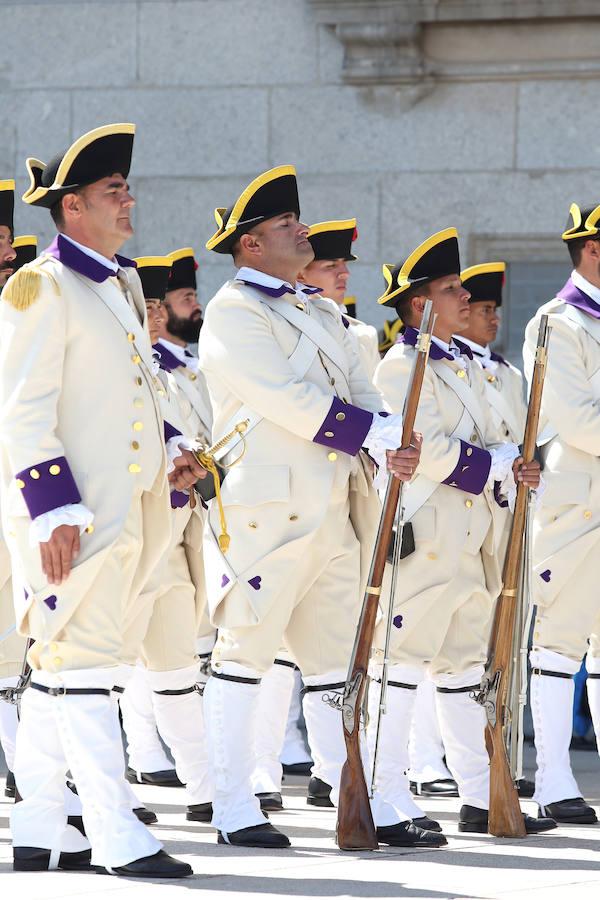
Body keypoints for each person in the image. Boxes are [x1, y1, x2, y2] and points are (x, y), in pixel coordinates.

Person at [199, 164, 430, 850]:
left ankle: (360, 798)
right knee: (244, 659)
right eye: (284, 225)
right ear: (250, 246)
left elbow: (364, 393)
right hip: (265, 514)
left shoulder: (323, 312)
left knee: (338, 670)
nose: (301, 230)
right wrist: (372, 432)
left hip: (334, 509)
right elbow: (284, 398)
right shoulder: (234, 312)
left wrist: (391, 435)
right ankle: (234, 805)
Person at [0, 123, 202, 876]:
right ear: (72, 208)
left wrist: (174, 442)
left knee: (65, 667)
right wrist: (51, 507)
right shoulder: (40, 287)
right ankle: (117, 833)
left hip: (128, 506)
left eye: (126, 187)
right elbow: (21, 408)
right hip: (71, 513)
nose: (129, 200)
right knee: (81, 666)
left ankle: (42, 826)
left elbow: (140, 387)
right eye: (113, 191)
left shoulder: (119, 281)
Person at [371, 227, 554, 837]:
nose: (463, 298)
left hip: (473, 537)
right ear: (421, 305)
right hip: (427, 533)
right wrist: (491, 464)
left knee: (465, 669)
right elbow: (419, 447)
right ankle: (385, 796)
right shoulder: (402, 367)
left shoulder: (467, 369)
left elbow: (489, 440)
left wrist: (514, 464)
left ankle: (480, 797)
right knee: (399, 667)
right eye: (452, 290)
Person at [523, 201, 600, 825]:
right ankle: (552, 779)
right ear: (592, 250)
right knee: (558, 642)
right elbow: (577, 420)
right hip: (579, 504)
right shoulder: (559, 322)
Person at [299, 218, 380, 378]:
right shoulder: (290, 323)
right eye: (331, 266)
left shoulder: (363, 334)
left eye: (344, 264)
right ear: (300, 274)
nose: (345, 273)